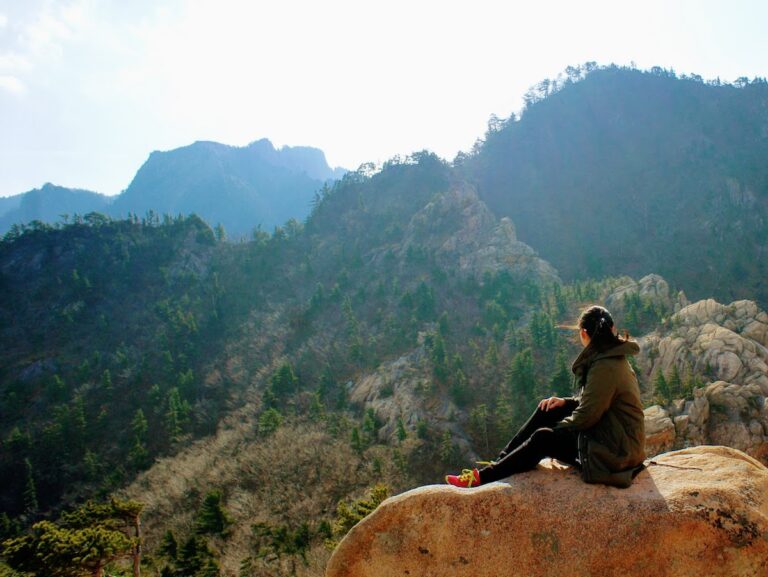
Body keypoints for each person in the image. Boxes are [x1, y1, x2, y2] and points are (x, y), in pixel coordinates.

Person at [445, 305, 646, 489]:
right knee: (549, 409)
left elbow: (587, 416)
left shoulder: (605, 366)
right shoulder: (610, 358)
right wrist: (565, 403)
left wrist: (554, 432)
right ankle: (501, 462)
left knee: (543, 438)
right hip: (615, 437)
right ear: (612, 329)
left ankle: (484, 477)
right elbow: (599, 401)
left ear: (583, 334)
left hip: (616, 454)